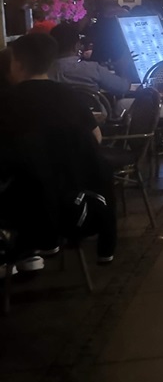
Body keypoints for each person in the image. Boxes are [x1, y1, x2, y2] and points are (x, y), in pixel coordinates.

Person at [0, 33, 116, 264]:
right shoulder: (69, 96)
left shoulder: (7, 101)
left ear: (17, 64)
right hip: (73, 202)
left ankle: (15, 251)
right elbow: (96, 138)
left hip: (25, 204)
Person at [50, 22, 131, 97]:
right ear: (76, 46)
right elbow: (123, 87)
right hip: (88, 108)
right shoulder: (93, 69)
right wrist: (122, 69)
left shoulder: (45, 72)